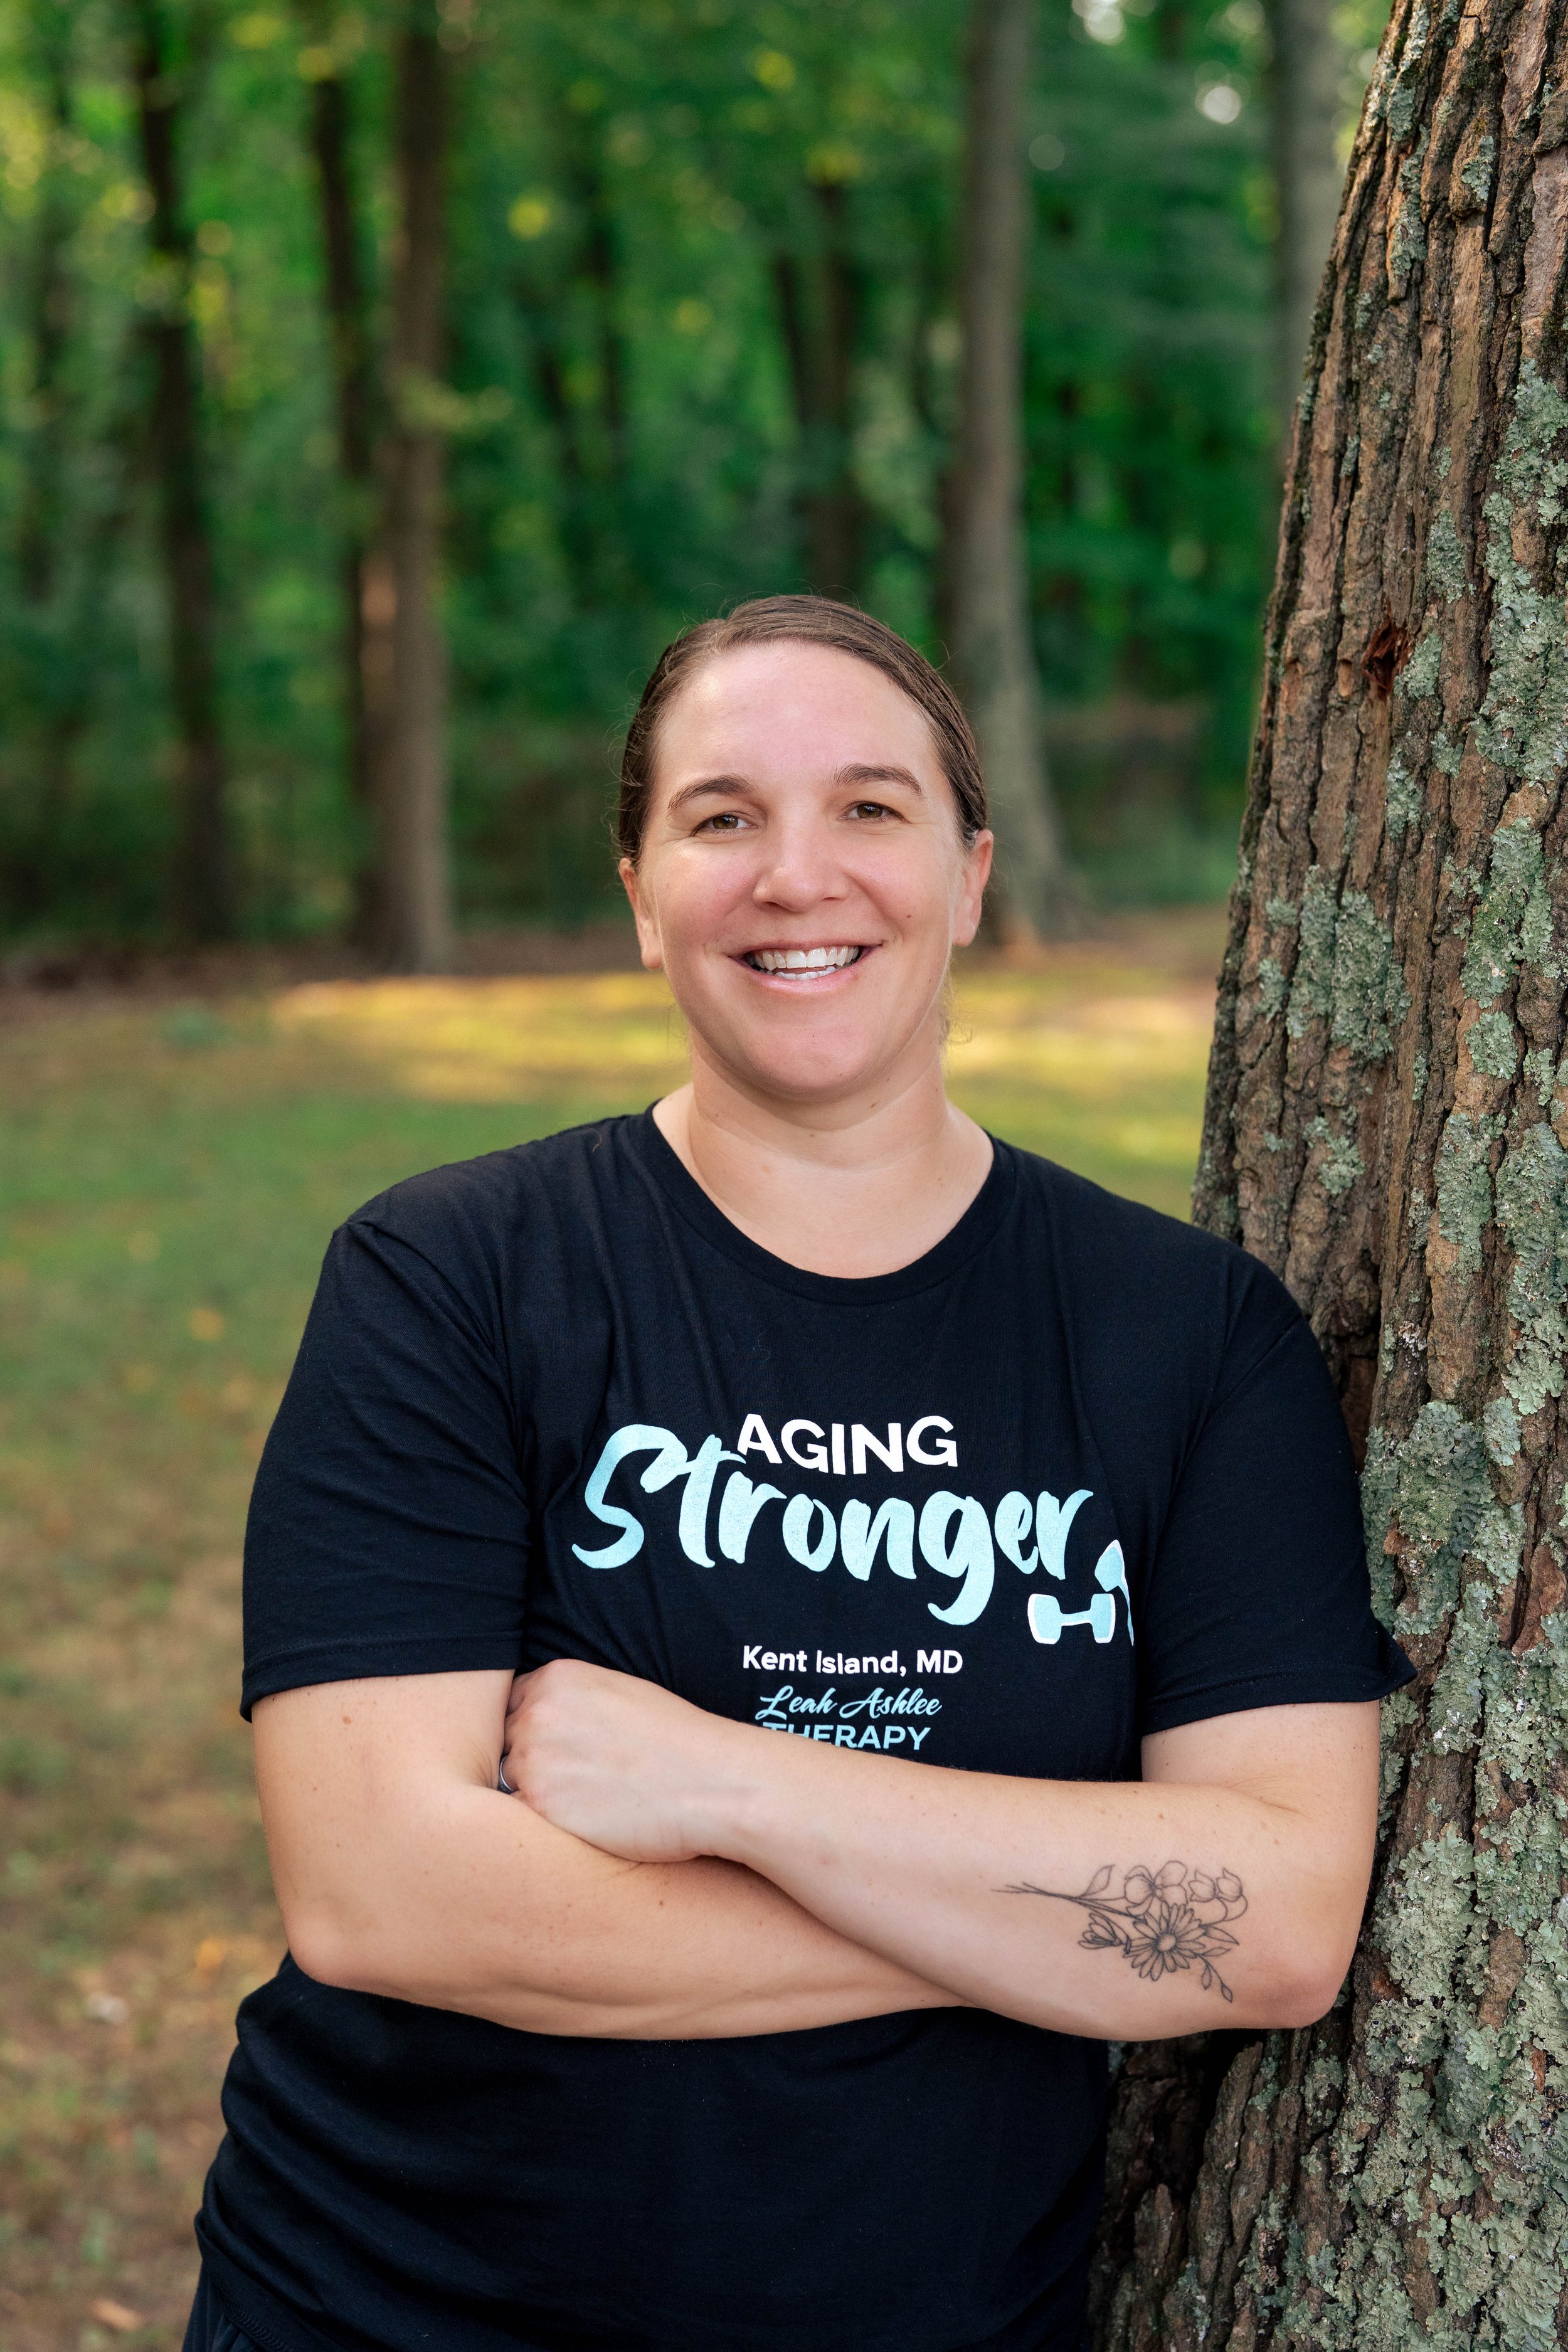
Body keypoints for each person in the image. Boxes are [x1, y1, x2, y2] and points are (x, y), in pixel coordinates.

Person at [187, 596, 1412, 2352]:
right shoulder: (452, 1277)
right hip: (391, 2308)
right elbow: (384, 1897)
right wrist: (1046, 1932)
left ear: (971, 876)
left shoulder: (1187, 1337)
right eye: (719, 817)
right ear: (637, 894)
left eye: (868, 807)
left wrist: (731, 1788)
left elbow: (1281, 1928)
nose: (795, 876)